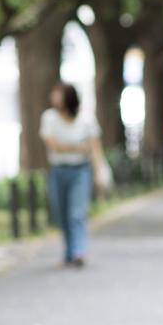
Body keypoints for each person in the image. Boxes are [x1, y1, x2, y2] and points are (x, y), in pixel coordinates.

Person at [40, 82, 104, 268]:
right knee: (60, 213)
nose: (54, 98)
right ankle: (68, 251)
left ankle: (78, 251)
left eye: (57, 94)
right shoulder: (49, 118)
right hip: (58, 170)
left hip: (80, 169)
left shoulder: (86, 119)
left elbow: (95, 148)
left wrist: (98, 173)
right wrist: (78, 147)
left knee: (76, 213)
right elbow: (52, 144)